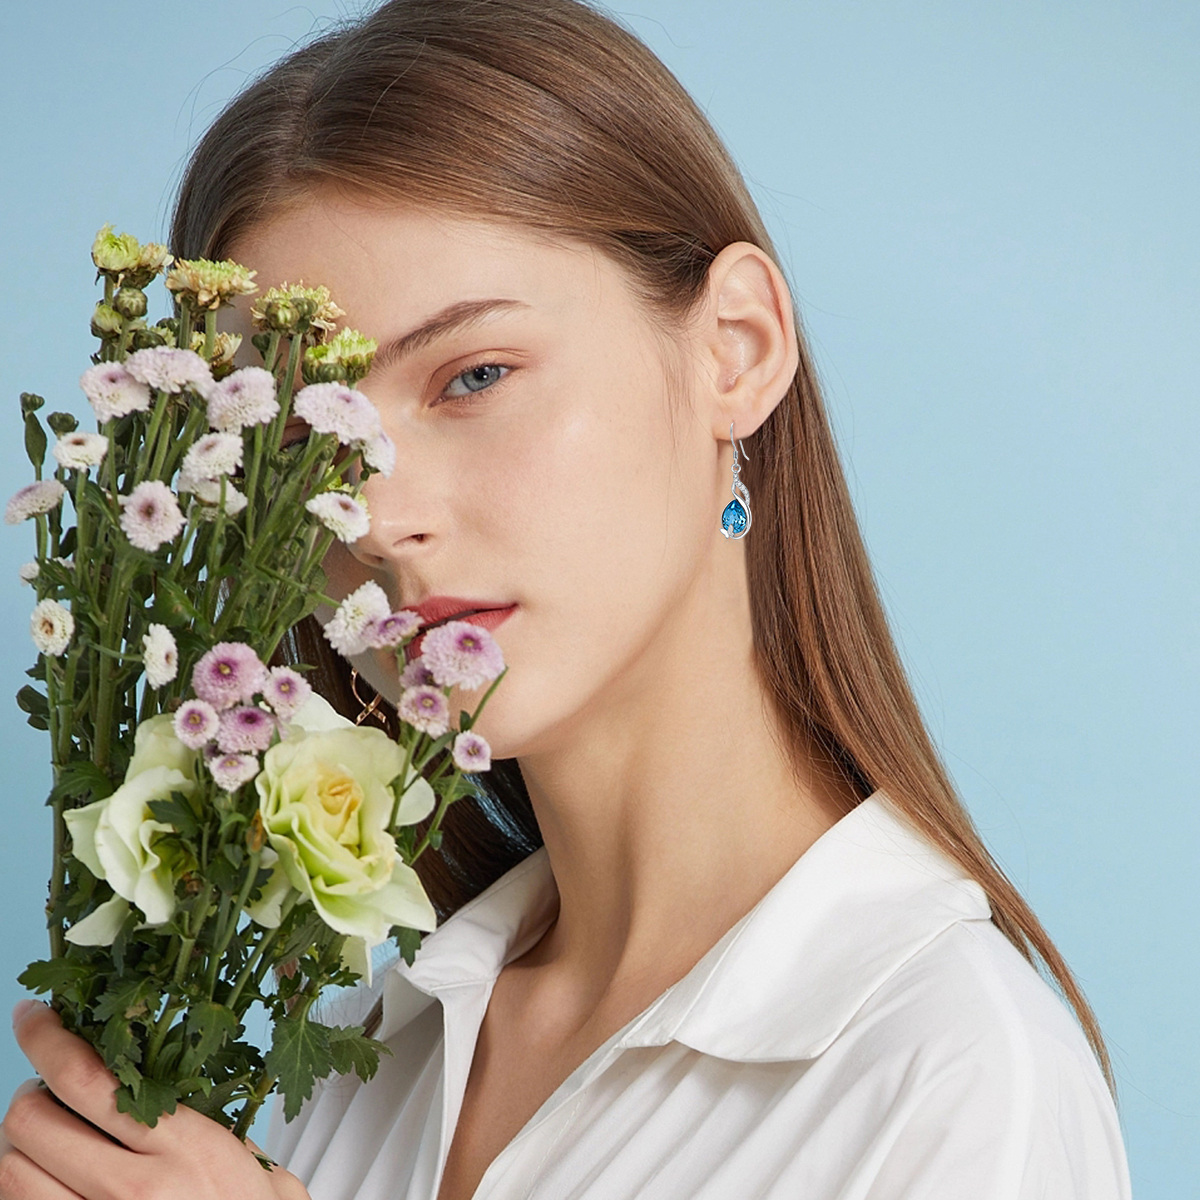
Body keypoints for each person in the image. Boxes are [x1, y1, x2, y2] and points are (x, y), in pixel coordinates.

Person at [1, 1, 1133, 1197]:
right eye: (305, 442)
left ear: (735, 350)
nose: (380, 520)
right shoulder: (378, 1044)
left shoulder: (949, 1075)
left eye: (474, 376)